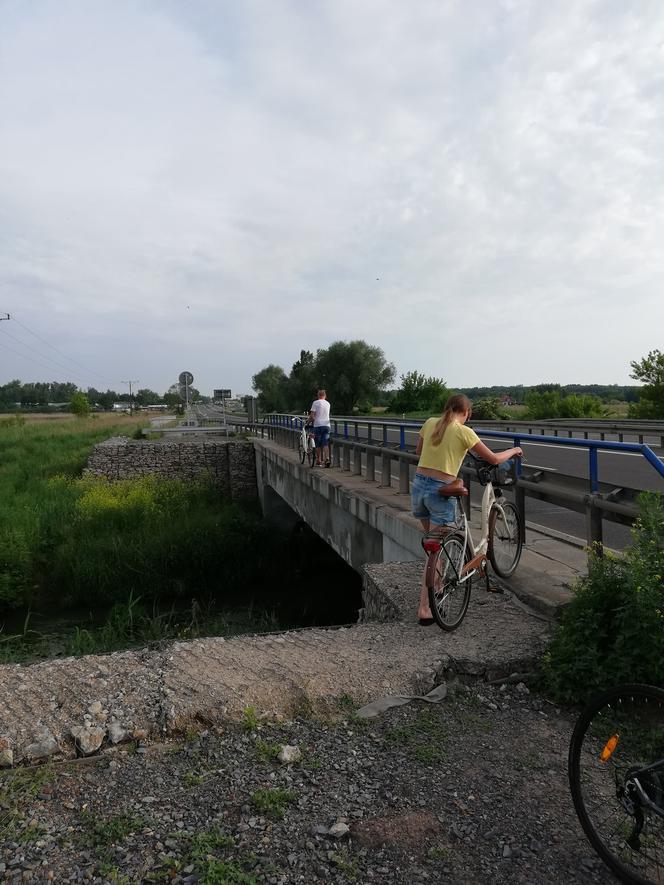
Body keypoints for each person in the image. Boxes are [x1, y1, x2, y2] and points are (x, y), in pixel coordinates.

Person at [412, 394, 523, 625]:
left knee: (434, 548)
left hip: (418, 488)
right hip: (439, 492)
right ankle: (424, 608)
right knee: (436, 550)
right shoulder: (464, 432)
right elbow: (493, 459)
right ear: (466, 413)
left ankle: (438, 587)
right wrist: (514, 451)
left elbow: (418, 451)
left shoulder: (430, 422)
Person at [309, 389, 331, 467]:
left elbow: (312, 416)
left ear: (318, 395)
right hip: (327, 426)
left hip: (318, 426)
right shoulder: (328, 403)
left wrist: (309, 421)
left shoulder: (315, 402)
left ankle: (318, 460)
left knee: (317, 444)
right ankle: (327, 458)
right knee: (325, 443)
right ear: (325, 396)